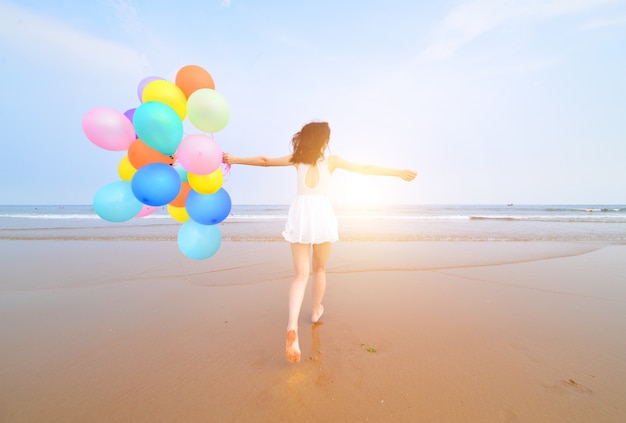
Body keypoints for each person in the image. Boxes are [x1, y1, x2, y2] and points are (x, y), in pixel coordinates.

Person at [222, 121, 417, 363]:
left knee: (300, 275)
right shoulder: (332, 162)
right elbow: (365, 168)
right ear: (325, 140)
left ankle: (292, 325)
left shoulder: (297, 159)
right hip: (323, 214)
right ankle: (315, 312)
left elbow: (265, 161)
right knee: (320, 269)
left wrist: (234, 159)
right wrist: (397, 173)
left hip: (301, 213)